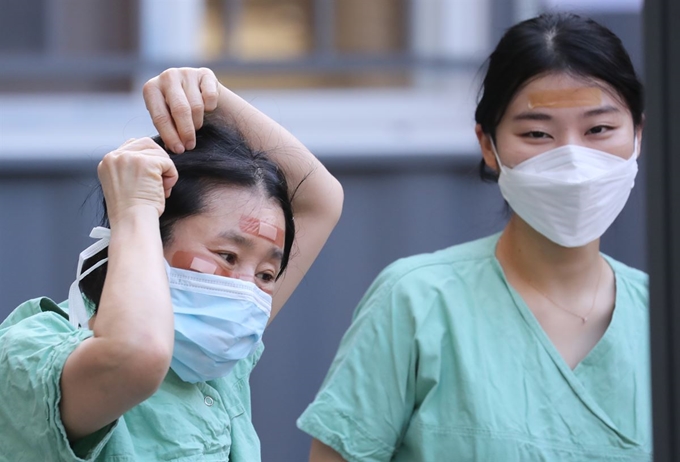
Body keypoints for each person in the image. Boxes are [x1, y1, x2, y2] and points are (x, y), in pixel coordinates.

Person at [297, 12, 650, 462]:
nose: (572, 161)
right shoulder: (417, 301)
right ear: (489, 146)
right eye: (537, 133)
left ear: (637, 133)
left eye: (599, 129)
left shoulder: (660, 320)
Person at [0, 67, 343, 461]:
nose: (246, 292)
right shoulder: (32, 353)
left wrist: (211, 102)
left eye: (267, 275)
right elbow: (135, 356)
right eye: (227, 256)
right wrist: (133, 207)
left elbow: (321, 199)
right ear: (147, 236)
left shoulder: (214, 355)